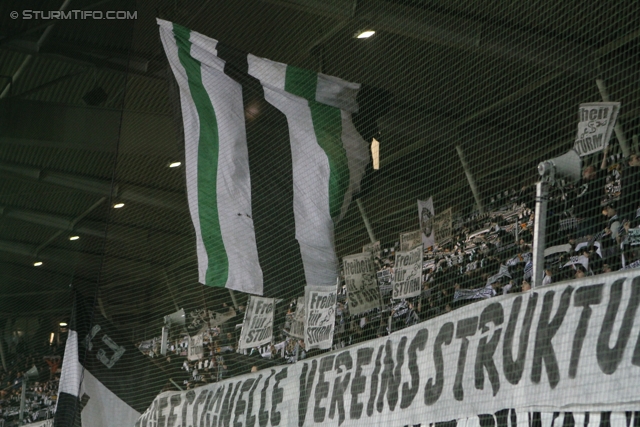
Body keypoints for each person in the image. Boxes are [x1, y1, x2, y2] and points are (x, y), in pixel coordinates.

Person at [574, 150, 609, 238]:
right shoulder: (579, 183)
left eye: (591, 171)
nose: (588, 172)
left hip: (591, 220)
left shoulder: (596, 183)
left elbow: (603, 170)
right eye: (587, 170)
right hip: (580, 222)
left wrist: (605, 155)